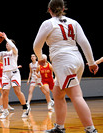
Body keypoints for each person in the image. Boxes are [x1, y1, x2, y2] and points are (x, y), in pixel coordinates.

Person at [33, 0, 98, 133]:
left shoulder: (48, 23)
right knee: (57, 93)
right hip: (77, 60)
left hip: (64, 62)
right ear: (63, 9)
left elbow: (36, 46)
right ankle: (59, 127)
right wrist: (91, 62)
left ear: (49, 9)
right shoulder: (74, 22)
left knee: (76, 96)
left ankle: (91, 129)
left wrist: (40, 58)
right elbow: (84, 43)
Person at [0, 33, 30, 119]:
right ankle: (5, 111)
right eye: (6, 43)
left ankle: (25, 109)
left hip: (14, 73)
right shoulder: (3, 53)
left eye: (8, 43)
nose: (6, 44)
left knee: (17, 91)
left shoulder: (14, 52)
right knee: (5, 93)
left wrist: (6, 38)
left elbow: (13, 47)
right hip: (5, 74)